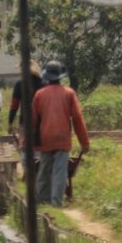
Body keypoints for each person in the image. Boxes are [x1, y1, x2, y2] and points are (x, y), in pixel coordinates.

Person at [32, 60, 90, 207]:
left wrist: (31, 141)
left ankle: (41, 201)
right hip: (62, 138)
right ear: (60, 76)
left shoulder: (40, 94)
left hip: (45, 138)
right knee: (60, 172)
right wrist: (84, 142)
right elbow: (77, 119)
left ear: (47, 76)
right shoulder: (69, 93)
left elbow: (33, 120)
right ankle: (56, 203)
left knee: (44, 170)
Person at [8, 59, 44, 137]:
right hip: (42, 122)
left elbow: (14, 106)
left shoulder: (20, 84)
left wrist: (10, 123)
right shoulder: (44, 84)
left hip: (25, 122)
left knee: (25, 147)